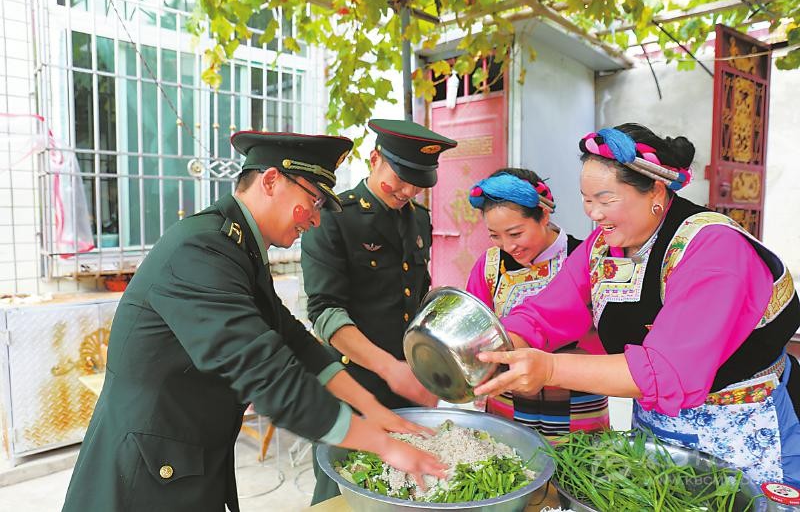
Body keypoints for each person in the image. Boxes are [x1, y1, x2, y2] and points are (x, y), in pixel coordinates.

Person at [62, 131, 447, 512]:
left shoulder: (239, 247)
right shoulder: (201, 250)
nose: (316, 219)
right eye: (313, 201)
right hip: (142, 476)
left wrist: (373, 409)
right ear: (271, 181)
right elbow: (265, 372)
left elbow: (294, 340)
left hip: (182, 462)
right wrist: (383, 446)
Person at [474, 123, 800, 486]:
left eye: (606, 199)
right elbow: (546, 312)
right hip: (656, 427)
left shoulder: (714, 248)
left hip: (744, 426)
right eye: (586, 199)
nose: (593, 213)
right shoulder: (602, 247)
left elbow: (667, 371)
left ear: (656, 190)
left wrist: (549, 369)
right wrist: (502, 346)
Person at [301, 118, 457, 504]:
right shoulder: (334, 216)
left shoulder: (418, 219)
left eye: (418, 183)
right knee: (342, 489)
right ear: (374, 159)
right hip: (352, 385)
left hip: (407, 383)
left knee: (406, 488)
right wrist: (390, 370)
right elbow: (324, 311)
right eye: (400, 179)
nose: (408, 191)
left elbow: (416, 299)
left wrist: (433, 367)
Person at [465, 168, 609, 440]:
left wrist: (553, 367)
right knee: (510, 462)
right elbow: (475, 329)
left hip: (578, 401)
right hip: (508, 400)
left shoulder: (585, 258)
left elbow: (606, 339)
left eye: (515, 233)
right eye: (495, 235)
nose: (508, 246)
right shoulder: (490, 266)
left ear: (543, 215)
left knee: (576, 465)